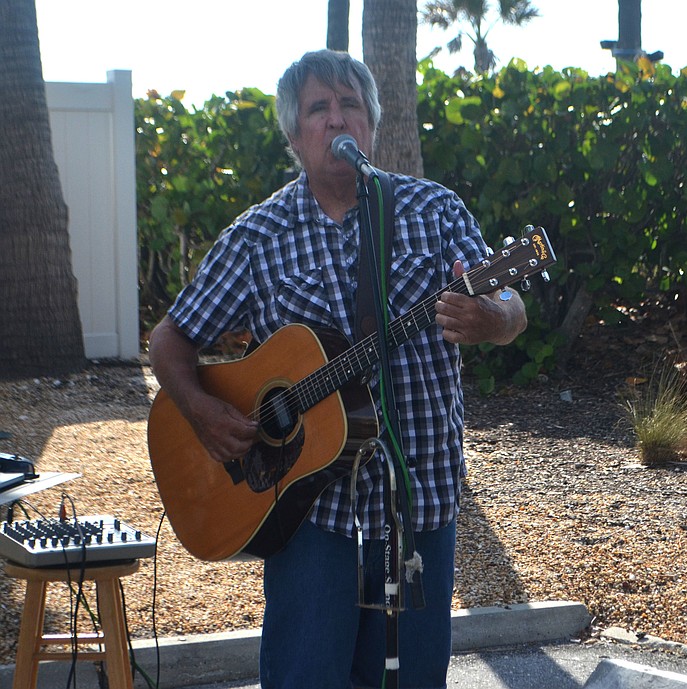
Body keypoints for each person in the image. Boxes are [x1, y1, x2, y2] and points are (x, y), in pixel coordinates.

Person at [148, 49, 527, 689]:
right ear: (295, 136)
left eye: (350, 104)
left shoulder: (433, 212)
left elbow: (509, 301)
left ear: (371, 125)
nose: (336, 119)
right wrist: (205, 411)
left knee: (408, 680)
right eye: (318, 109)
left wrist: (497, 319)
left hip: (416, 500)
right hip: (306, 509)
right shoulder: (257, 237)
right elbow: (171, 339)